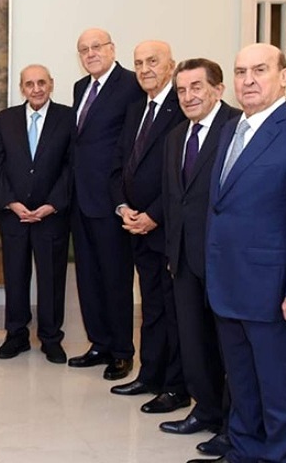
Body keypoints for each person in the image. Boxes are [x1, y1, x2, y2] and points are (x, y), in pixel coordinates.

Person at [198, 43, 286, 463]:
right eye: (241, 72)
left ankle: (281, 457)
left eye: (260, 70)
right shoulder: (230, 130)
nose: (248, 80)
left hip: (274, 294)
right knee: (242, 387)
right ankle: (244, 452)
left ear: (284, 76)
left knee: (278, 391)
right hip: (228, 287)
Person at [160, 58, 238, 460]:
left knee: (229, 348)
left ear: (218, 89)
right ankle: (205, 409)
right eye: (181, 90)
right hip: (184, 258)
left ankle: (231, 425)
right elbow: (174, 200)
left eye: (196, 87)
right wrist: (172, 251)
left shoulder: (237, 129)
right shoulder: (176, 136)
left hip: (223, 259)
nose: (188, 96)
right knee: (194, 342)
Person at [108, 41, 189, 414]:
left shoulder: (181, 107)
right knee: (152, 306)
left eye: (153, 61)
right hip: (135, 226)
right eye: (139, 63)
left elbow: (182, 176)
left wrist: (153, 215)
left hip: (166, 228)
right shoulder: (137, 107)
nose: (144, 69)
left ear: (171, 65)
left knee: (174, 310)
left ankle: (176, 387)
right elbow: (120, 164)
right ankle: (150, 374)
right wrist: (123, 207)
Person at [67, 28, 144, 381]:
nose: (90, 53)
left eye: (96, 47)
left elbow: (132, 144)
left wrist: (123, 197)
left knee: (115, 278)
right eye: (84, 49)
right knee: (89, 278)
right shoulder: (80, 88)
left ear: (112, 49)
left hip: (112, 200)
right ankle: (99, 343)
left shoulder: (130, 85)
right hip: (81, 199)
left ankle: (122, 351)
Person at [0, 64, 74, 363]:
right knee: (15, 277)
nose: (36, 89)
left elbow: (71, 166)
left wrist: (53, 204)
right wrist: (11, 202)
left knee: (51, 280)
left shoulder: (68, 117)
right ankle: (16, 335)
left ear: (51, 84)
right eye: (29, 84)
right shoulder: (5, 119)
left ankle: (50, 338)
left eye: (41, 83)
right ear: (21, 88)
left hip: (51, 215)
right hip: (14, 215)